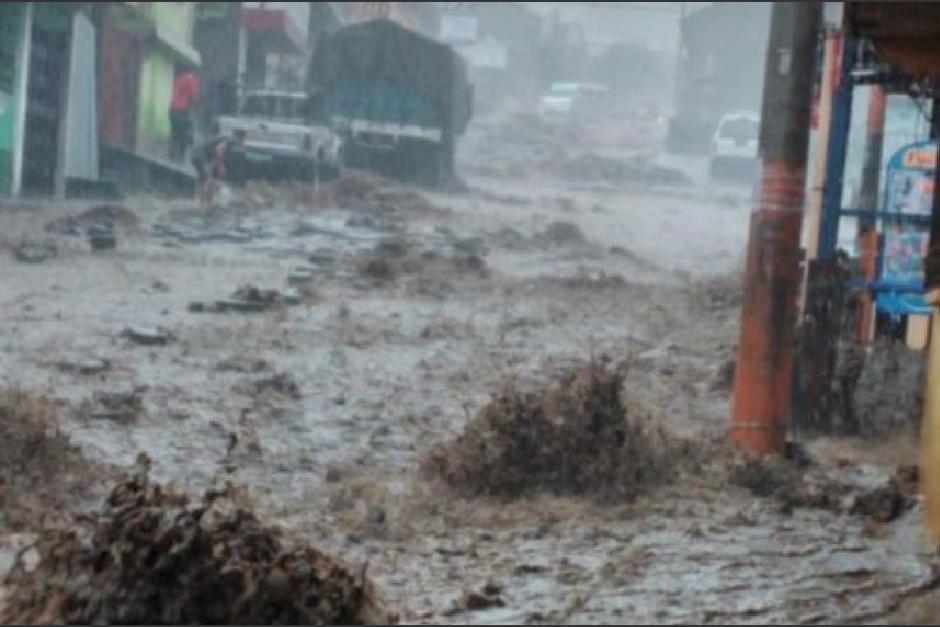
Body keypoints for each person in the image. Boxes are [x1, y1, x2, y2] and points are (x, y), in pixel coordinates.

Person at [191, 129, 246, 206]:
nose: (242, 142)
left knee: (207, 179)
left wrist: (214, 166)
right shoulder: (230, 141)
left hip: (199, 155)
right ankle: (203, 202)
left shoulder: (227, 139)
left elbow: (214, 152)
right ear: (240, 138)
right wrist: (221, 166)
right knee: (208, 179)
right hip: (200, 156)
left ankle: (206, 201)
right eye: (243, 139)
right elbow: (219, 150)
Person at [169, 69, 200, 162]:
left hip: (172, 110)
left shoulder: (180, 78)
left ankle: (171, 154)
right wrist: (197, 107)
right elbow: (193, 96)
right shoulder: (193, 80)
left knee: (175, 133)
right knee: (183, 135)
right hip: (182, 111)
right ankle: (180, 157)